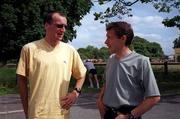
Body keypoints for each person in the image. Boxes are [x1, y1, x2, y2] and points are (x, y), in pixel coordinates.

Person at [16, 11, 87, 119]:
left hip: (62, 114)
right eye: (59, 25)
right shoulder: (29, 49)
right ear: (46, 25)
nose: (63, 30)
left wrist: (75, 92)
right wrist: (27, 111)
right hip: (37, 114)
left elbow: (81, 74)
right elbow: (21, 80)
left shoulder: (70, 50)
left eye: (65, 26)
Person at [97, 21, 160, 119]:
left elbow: (154, 98)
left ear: (123, 38)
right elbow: (106, 83)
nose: (105, 42)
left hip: (129, 115)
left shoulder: (141, 61)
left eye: (109, 37)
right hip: (107, 114)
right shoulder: (110, 59)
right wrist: (100, 101)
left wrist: (128, 116)